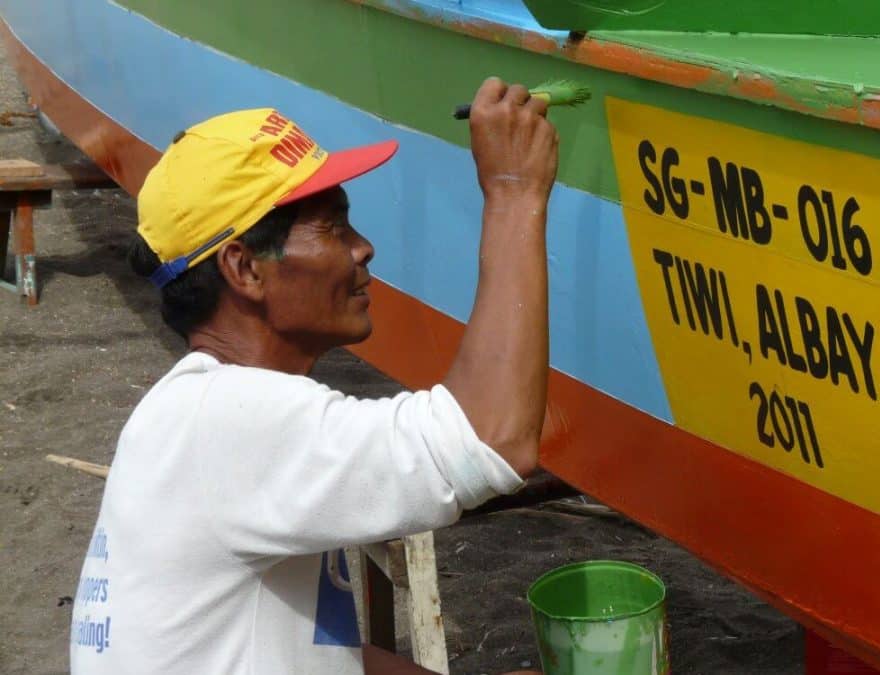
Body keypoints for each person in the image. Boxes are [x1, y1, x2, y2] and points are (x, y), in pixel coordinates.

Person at [69, 78, 556, 674]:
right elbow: (490, 438)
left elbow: (318, 656)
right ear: (245, 268)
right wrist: (513, 190)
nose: (363, 249)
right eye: (333, 228)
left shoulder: (189, 412)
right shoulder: (233, 420)